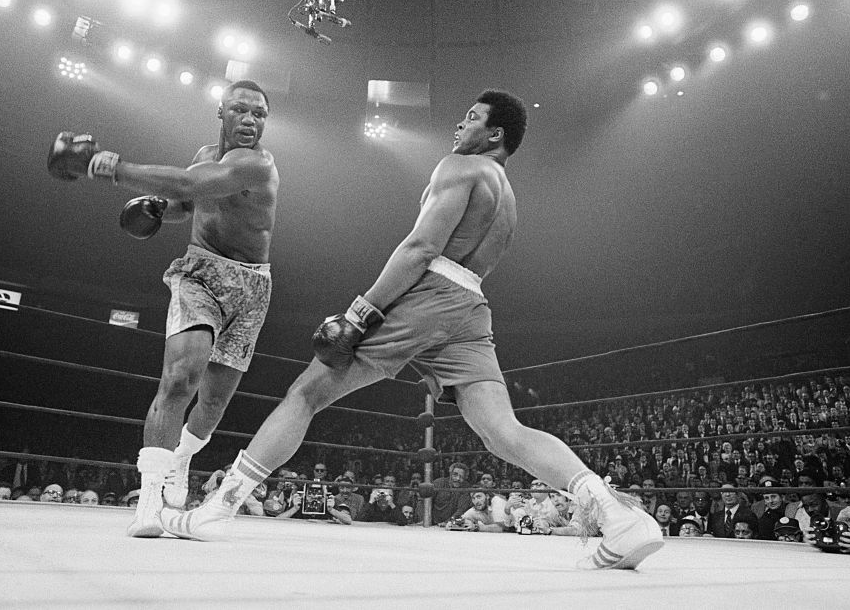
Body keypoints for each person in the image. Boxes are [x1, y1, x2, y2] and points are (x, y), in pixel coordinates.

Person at [160, 89, 662, 569]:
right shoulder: (506, 195)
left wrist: (362, 311)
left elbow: (421, 248)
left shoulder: (459, 166)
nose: (460, 124)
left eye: (472, 117)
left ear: (494, 135)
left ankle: (216, 510)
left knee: (306, 394)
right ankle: (620, 517)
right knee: (503, 432)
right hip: (470, 306)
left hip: (429, 296)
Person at [48, 80, 277, 537]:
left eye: (258, 114)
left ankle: (183, 460)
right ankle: (148, 504)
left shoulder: (257, 164)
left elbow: (192, 183)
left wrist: (107, 166)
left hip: (252, 287)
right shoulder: (201, 155)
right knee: (180, 379)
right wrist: (156, 206)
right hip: (200, 275)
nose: (250, 121)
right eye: (240, 110)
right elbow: (183, 202)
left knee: (212, 404)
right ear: (221, 112)